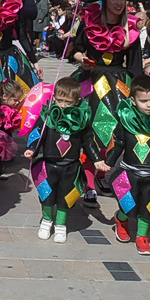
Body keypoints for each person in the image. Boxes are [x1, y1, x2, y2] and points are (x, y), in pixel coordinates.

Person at [71, 0, 150, 209]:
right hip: (89, 79)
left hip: (118, 85)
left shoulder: (132, 29)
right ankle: (88, 183)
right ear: (105, 1)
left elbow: (135, 67)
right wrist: (82, 59)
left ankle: (103, 173)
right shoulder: (89, 22)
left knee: (113, 131)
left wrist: (142, 97)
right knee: (86, 128)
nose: (118, 3)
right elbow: (75, 49)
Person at [22, 77, 104, 244]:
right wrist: (32, 148)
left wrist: (96, 159)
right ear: (53, 98)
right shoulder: (47, 115)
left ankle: (60, 224)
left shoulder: (82, 119)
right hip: (48, 165)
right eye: (59, 101)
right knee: (46, 195)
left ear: (77, 100)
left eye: (68, 102)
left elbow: (88, 140)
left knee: (66, 197)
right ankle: (46, 221)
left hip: (70, 166)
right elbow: (38, 133)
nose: (63, 105)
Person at [105, 75, 150, 256]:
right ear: (133, 101)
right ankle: (121, 220)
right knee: (128, 205)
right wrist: (108, 162)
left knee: (148, 206)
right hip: (130, 172)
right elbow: (118, 142)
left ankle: (142, 236)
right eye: (144, 101)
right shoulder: (125, 121)